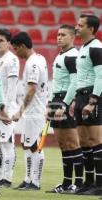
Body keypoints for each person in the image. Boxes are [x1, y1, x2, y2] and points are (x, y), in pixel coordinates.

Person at [45, 24, 83, 194]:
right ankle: (66, 183)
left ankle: (79, 183)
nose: (59, 37)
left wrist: (64, 105)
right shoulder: (62, 55)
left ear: (73, 37)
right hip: (57, 101)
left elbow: (75, 83)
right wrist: (50, 104)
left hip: (65, 102)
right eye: (58, 34)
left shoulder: (73, 56)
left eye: (63, 35)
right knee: (63, 145)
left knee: (73, 143)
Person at [11, 32, 48, 190]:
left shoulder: (32, 63)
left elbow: (32, 89)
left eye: (15, 49)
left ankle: (35, 182)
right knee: (26, 145)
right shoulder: (39, 58)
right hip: (32, 112)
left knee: (35, 146)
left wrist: (20, 110)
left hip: (35, 112)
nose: (15, 52)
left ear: (23, 46)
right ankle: (28, 179)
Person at [70, 14, 102, 195]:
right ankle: (88, 183)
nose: (76, 27)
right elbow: (80, 78)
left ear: (90, 29)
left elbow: (100, 76)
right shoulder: (82, 48)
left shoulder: (97, 48)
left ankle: (99, 185)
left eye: (80, 25)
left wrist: (93, 100)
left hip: (92, 96)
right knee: (84, 142)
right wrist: (76, 99)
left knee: (96, 141)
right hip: (81, 97)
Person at [0, 28, 19, 188]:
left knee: (6, 144)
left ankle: (7, 178)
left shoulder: (12, 60)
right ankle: (1, 175)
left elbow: (12, 87)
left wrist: (6, 109)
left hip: (6, 109)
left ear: (9, 43)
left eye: (1, 40)